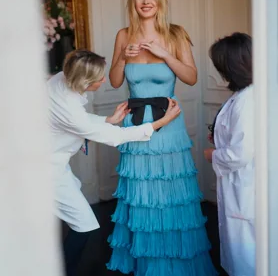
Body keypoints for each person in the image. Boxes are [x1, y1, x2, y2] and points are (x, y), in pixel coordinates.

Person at [107, 0, 217, 276]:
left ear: (159, 1)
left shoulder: (175, 34)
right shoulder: (123, 35)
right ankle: (147, 262)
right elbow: (116, 81)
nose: (145, 2)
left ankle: (176, 264)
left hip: (168, 125)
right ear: (133, 1)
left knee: (170, 193)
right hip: (135, 123)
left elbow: (192, 77)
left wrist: (165, 53)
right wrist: (122, 59)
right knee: (141, 195)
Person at [47, 49, 181, 276]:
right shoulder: (71, 113)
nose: (103, 80)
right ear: (85, 81)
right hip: (44, 170)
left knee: (69, 212)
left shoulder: (61, 78)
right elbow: (116, 137)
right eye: (99, 78)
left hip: (51, 160)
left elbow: (74, 121)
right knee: (84, 224)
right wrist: (163, 121)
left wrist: (106, 120)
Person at [204, 33, 255, 276]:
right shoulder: (243, 95)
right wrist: (219, 136)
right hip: (240, 186)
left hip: (246, 187)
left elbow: (240, 153)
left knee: (248, 255)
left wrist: (212, 154)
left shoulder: (248, 101)